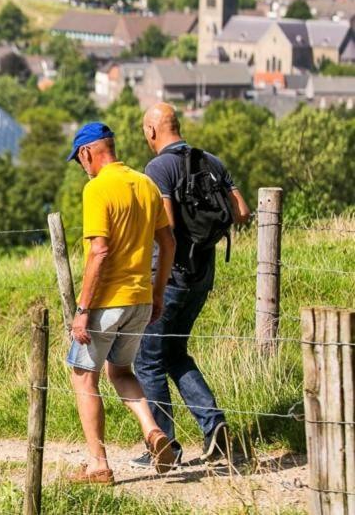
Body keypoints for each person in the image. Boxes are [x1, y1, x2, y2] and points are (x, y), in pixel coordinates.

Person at [131, 103, 251, 470]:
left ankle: (165, 447)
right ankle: (215, 427)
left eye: (144, 131)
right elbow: (242, 211)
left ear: (152, 131)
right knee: (176, 354)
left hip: (169, 277)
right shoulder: (211, 161)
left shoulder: (158, 168)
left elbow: (165, 224)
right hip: (202, 277)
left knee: (147, 360)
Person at [65, 122, 177, 485]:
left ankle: (98, 464)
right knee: (122, 371)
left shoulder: (97, 189)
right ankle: (153, 432)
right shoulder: (145, 183)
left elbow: (99, 251)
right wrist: (157, 293)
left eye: (79, 160)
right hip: (140, 299)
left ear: (87, 153)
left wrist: (83, 310)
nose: (82, 166)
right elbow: (168, 242)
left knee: (83, 377)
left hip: (106, 302)